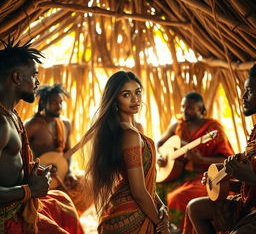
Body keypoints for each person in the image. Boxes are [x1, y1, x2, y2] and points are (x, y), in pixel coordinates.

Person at [0, 39, 84, 233]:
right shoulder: (2, 124)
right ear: (17, 77)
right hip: (7, 215)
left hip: (21, 203)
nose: (38, 82)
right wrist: (30, 190)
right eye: (34, 75)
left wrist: (37, 174)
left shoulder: (13, 116)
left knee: (62, 201)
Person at [74, 71, 170, 233]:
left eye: (137, 92)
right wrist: (162, 227)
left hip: (137, 208)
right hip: (129, 214)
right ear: (115, 100)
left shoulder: (135, 130)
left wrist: (162, 208)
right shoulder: (129, 135)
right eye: (126, 94)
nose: (135, 99)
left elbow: (147, 185)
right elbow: (139, 192)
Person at [184, 64, 256, 234]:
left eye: (250, 91)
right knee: (194, 208)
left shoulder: (212, 127)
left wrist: (249, 177)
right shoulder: (255, 133)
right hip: (248, 202)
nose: (243, 96)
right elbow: (249, 186)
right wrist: (223, 183)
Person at [156, 92, 234, 232]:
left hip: (205, 176)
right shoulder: (177, 126)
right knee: (154, 187)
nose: (184, 111)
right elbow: (160, 143)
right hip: (180, 174)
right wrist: (162, 156)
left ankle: (179, 230)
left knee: (177, 197)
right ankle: (161, 227)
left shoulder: (213, 128)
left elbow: (226, 160)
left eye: (190, 108)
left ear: (200, 108)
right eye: (183, 107)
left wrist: (202, 160)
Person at [24, 84, 93, 216]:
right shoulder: (32, 125)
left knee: (89, 185)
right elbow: (22, 155)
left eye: (61, 102)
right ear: (44, 103)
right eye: (54, 102)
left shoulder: (65, 124)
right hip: (38, 179)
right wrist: (41, 170)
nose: (59, 106)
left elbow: (68, 151)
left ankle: (70, 219)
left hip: (61, 175)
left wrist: (70, 172)